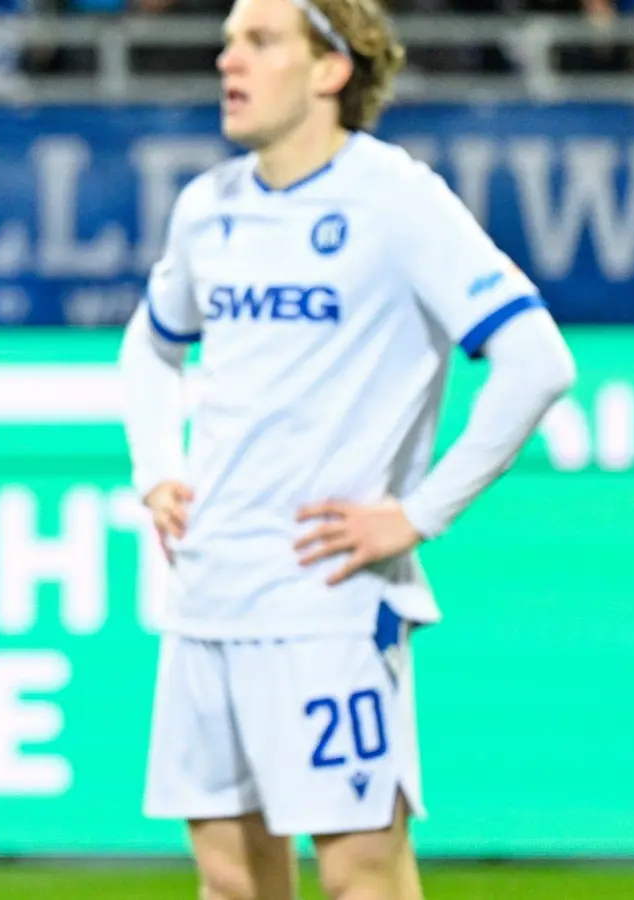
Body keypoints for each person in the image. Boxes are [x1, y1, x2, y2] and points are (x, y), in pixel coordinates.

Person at [121, 0, 577, 898]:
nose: (227, 60)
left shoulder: (396, 199)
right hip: (208, 592)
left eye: (259, 41)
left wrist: (418, 515)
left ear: (331, 68)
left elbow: (537, 362)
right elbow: (150, 344)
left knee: (361, 879)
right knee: (230, 880)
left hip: (327, 598)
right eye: (227, 41)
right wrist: (157, 468)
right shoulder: (208, 206)